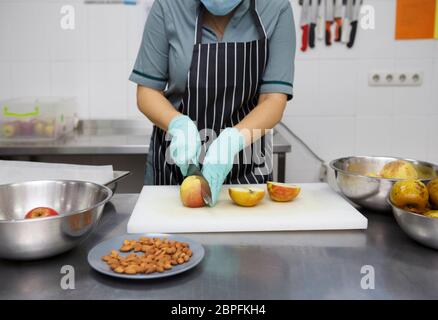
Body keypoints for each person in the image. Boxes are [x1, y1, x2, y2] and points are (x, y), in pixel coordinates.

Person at [130, 0, 296, 206]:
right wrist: (178, 125)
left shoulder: (275, 8)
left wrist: (231, 141)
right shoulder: (169, 6)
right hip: (174, 171)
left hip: (246, 172)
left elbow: (273, 101)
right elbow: (147, 93)